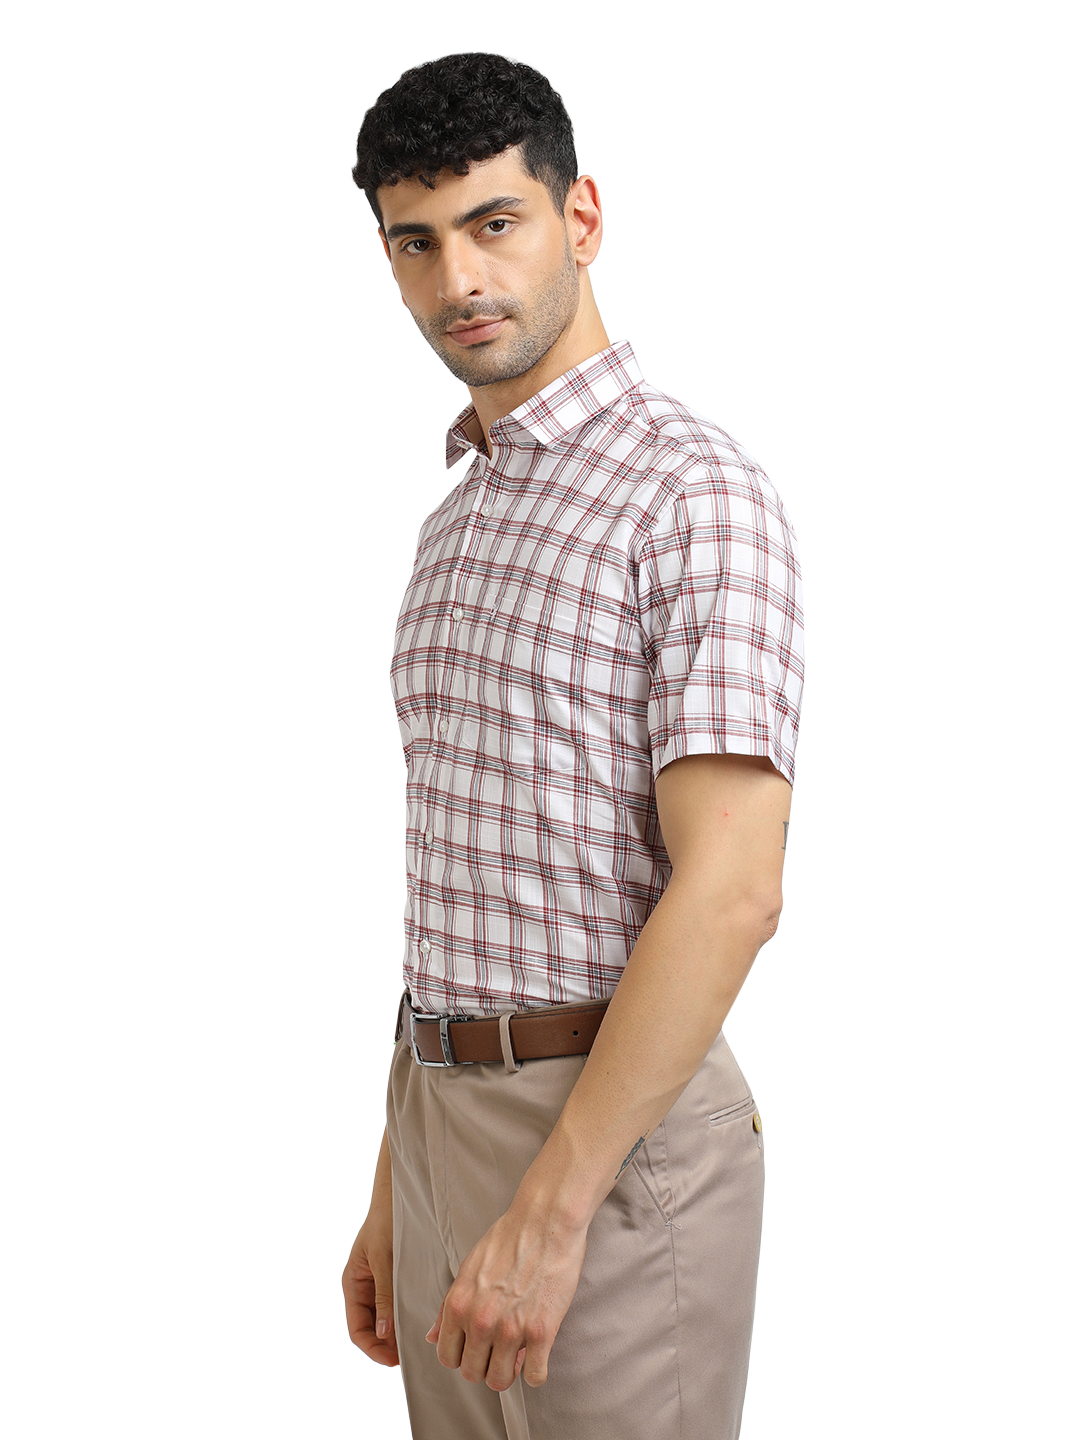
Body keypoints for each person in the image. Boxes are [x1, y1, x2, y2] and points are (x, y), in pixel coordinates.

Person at [341, 51, 805, 1440]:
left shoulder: (695, 494)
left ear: (579, 218)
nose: (458, 283)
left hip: (611, 1142)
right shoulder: (455, 523)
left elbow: (731, 891)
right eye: (413, 244)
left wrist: (552, 1206)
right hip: (438, 1117)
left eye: (496, 225)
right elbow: (464, 873)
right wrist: (397, 1175)